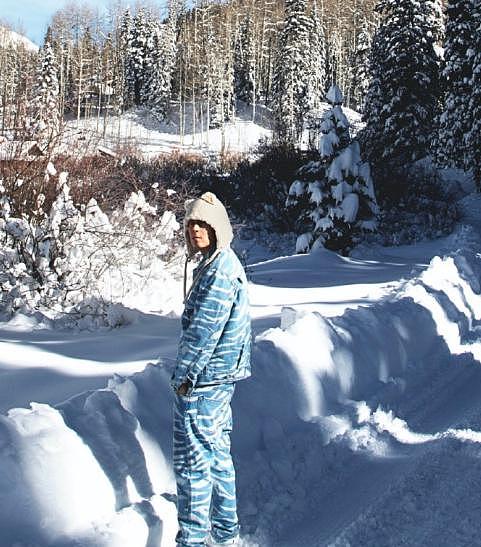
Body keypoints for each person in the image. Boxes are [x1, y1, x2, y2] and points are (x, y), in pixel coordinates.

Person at [172, 192, 251, 547]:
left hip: (203, 383)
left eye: (204, 224)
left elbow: (204, 331)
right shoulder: (217, 263)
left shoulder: (220, 270)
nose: (196, 231)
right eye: (191, 224)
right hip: (218, 378)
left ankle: (191, 540)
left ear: (218, 227)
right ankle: (225, 533)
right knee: (217, 456)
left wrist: (184, 378)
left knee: (193, 467)